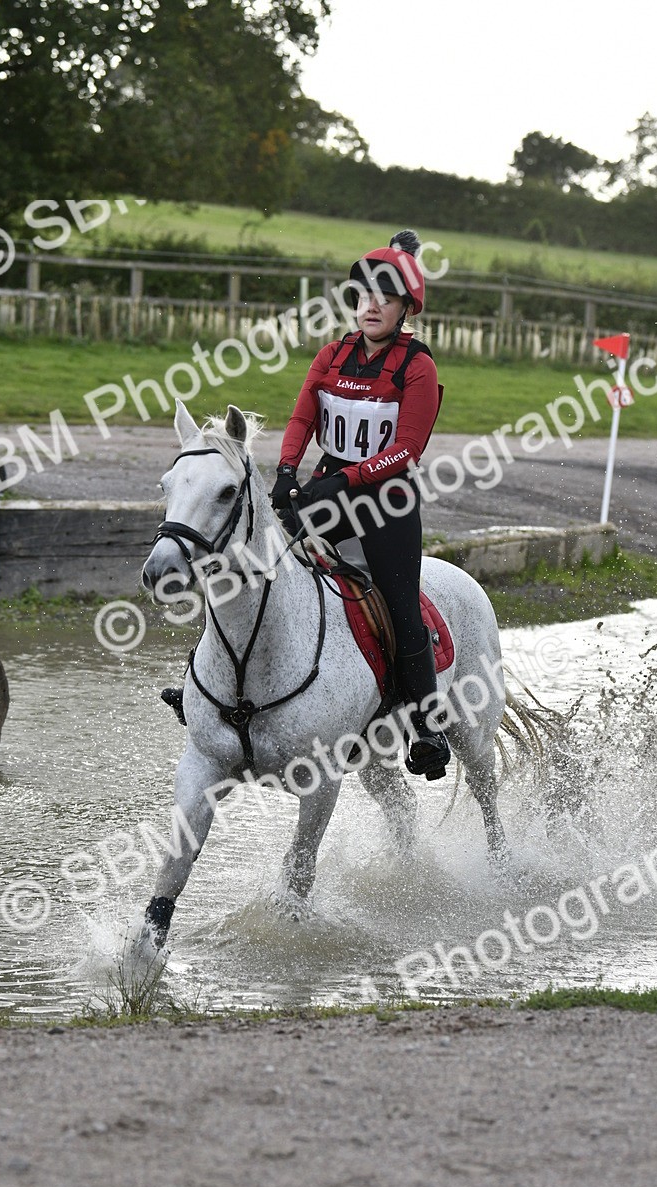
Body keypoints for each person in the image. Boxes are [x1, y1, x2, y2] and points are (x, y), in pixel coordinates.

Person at [269, 230, 450, 779]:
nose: (371, 306)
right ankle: (210, 688)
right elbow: (302, 417)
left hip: (385, 501)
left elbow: (407, 449)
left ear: (404, 309)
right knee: (256, 569)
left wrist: (345, 479)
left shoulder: (418, 367)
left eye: (385, 298)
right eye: (364, 296)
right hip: (328, 485)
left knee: (399, 604)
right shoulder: (332, 354)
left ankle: (426, 726)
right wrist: (284, 470)